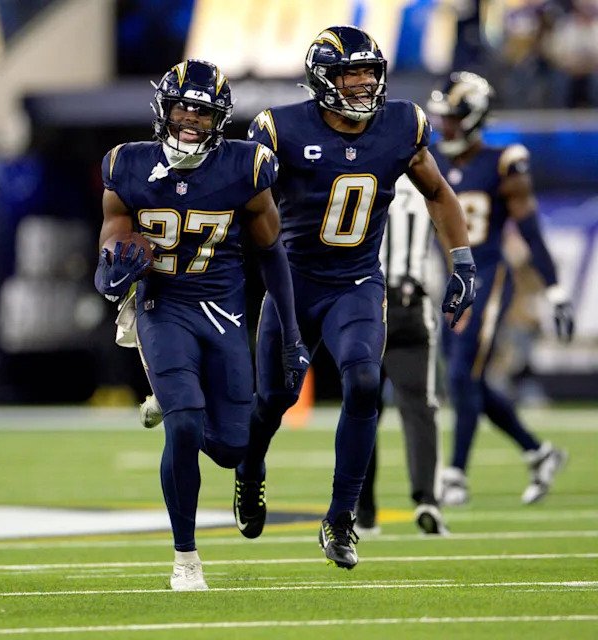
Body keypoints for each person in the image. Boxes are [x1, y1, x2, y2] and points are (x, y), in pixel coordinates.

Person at [239, 26, 475, 570]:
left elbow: (438, 192)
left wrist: (461, 261)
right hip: (293, 281)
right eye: (352, 73)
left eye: (370, 71)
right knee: (273, 399)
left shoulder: (400, 125)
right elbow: (246, 205)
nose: (366, 82)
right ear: (323, 78)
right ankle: (250, 471)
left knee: (365, 381)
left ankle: (341, 518)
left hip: (357, 282)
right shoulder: (280, 128)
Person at [95, 59, 307, 590]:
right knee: (185, 423)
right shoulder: (127, 165)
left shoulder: (246, 167)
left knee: (232, 446)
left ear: (221, 119)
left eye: (204, 111)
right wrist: (112, 272)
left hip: (223, 310)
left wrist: (291, 330)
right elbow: (111, 238)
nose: (192, 118)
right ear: (164, 109)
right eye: (184, 107)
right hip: (162, 306)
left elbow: (272, 253)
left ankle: (193, 415)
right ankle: (185, 558)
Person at [427, 71, 573, 506]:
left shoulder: (504, 161)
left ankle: (454, 474)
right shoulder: (429, 157)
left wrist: (556, 290)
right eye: (443, 117)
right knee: (464, 381)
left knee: (460, 373)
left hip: (489, 275)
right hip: (453, 280)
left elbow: (529, 229)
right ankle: (538, 451)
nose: (444, 125)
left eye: (452, 118)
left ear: (473, 118)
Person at [355, 175, 447, 537]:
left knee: (361, 408)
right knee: (419, 407)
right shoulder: (431, 181)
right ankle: (427, 500)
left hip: (366, 303)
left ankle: (363, 511)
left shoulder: (364, 172)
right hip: (412, 302)